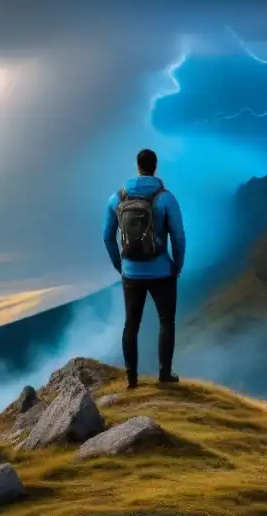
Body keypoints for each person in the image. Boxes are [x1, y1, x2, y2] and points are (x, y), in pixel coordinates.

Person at [103, 148, 186, 389]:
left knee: (131, 325)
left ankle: (131, 379)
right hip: (162, 272)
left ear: (137, 167)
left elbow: (107, 237)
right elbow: (179, 237)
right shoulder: (166, 198)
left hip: (131, 273)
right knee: (166, 321)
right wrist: (176, 266)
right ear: (155, 167)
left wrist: (121, 266)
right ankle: (164, 375)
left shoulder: (116, 198)